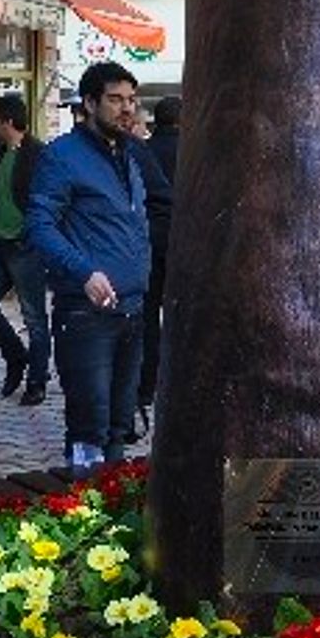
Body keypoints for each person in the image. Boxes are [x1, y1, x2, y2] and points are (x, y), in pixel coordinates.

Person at [27, 60, 171, 467]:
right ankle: (83, 511)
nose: (126, 108)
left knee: (120, 425)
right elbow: (39, 225)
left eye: (131, 100)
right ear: (89, 103)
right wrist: (83, 271)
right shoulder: (62, 156)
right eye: (114, 99)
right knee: (89, 425)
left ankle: (109, 513)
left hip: (133, 308)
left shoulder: (130, 154)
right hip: (86, 313)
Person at [0, 92, 49, 406]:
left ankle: (37, 380)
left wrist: (35, 233)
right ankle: (16, 356)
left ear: (7, 120)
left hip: (25, 245)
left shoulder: (38, 154)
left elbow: (46, 199)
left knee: (33, 317)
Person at [138, 94, 181, 424]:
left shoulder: (145, 151)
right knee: (182, 317)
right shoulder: (194, 151)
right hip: (184, 243)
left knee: (148, 316)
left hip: (150, 242)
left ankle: (147, 385)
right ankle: (179, 382)